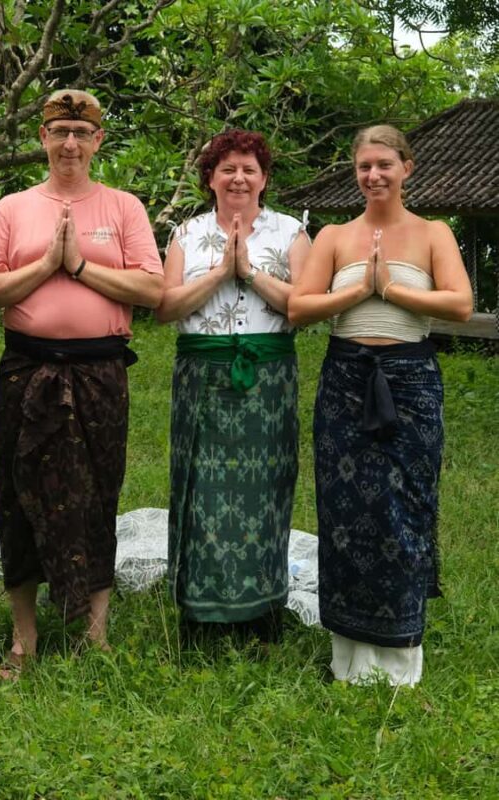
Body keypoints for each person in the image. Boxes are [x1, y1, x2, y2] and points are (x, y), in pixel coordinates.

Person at [0, 89, 163, 673]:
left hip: (98, 371)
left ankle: (95, 630)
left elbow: (152, 289)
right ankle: (24, 636)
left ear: (98, 141)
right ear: (42, 138)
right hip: (27, 369)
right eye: (59, 131)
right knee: (18, 492)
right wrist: (46, 266)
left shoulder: (123, 208)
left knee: (97, 491)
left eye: (82, 134)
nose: (70, 143)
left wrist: (82, 265)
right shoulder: (13, 208)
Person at [288, 124, 472, 686]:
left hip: (411, 379)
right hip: (346, 379)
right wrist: (359, 289)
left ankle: (398, 659)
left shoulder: (433, 232)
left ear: (406, 168)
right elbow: (300, 308)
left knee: (406, 508)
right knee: (345, 512)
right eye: (365, 166)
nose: (374, 175)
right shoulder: (335, 236)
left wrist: (391, 290)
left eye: (384, 165)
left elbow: (460, 304)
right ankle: (349, 656)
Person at [156, 130, 310, 644]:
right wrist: (222, 270)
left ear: (264, 179)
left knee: (266, 486)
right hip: (200, 374)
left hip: (269, 379)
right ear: (210, 179)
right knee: (200, 487)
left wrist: (250, 273)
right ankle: (200, 614)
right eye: (228, 169)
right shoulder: (185, 231)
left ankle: (261, 611)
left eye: (249, 169)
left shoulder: (291, 232)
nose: (238, 177)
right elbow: (166, 307)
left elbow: (305, 307)